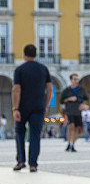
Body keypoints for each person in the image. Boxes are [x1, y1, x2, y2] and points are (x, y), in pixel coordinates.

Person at [12, 44, 53, 172]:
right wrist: (46, 105)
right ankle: (33, 164)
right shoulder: (43, 69)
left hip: (22, 106)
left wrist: (15, 108)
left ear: (24, 55)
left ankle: (21, 161)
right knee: (35, 135)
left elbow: (16, 90)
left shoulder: (19, 70)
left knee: (20, 133)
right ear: (35, 55)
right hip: (38, 106)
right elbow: (49, 89)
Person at [59, 73, 88, 153]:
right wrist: (69, 99)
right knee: (71, 126)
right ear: (71, 80)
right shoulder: (66, 90)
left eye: (77, 79)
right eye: (74, 79)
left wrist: (83, 105)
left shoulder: (81, 89)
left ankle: (73, 145)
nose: (76, 81)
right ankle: (69, 143)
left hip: (78, 111)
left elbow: (86, 99)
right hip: (70, 110)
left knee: (76, 128)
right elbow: (61, 101)